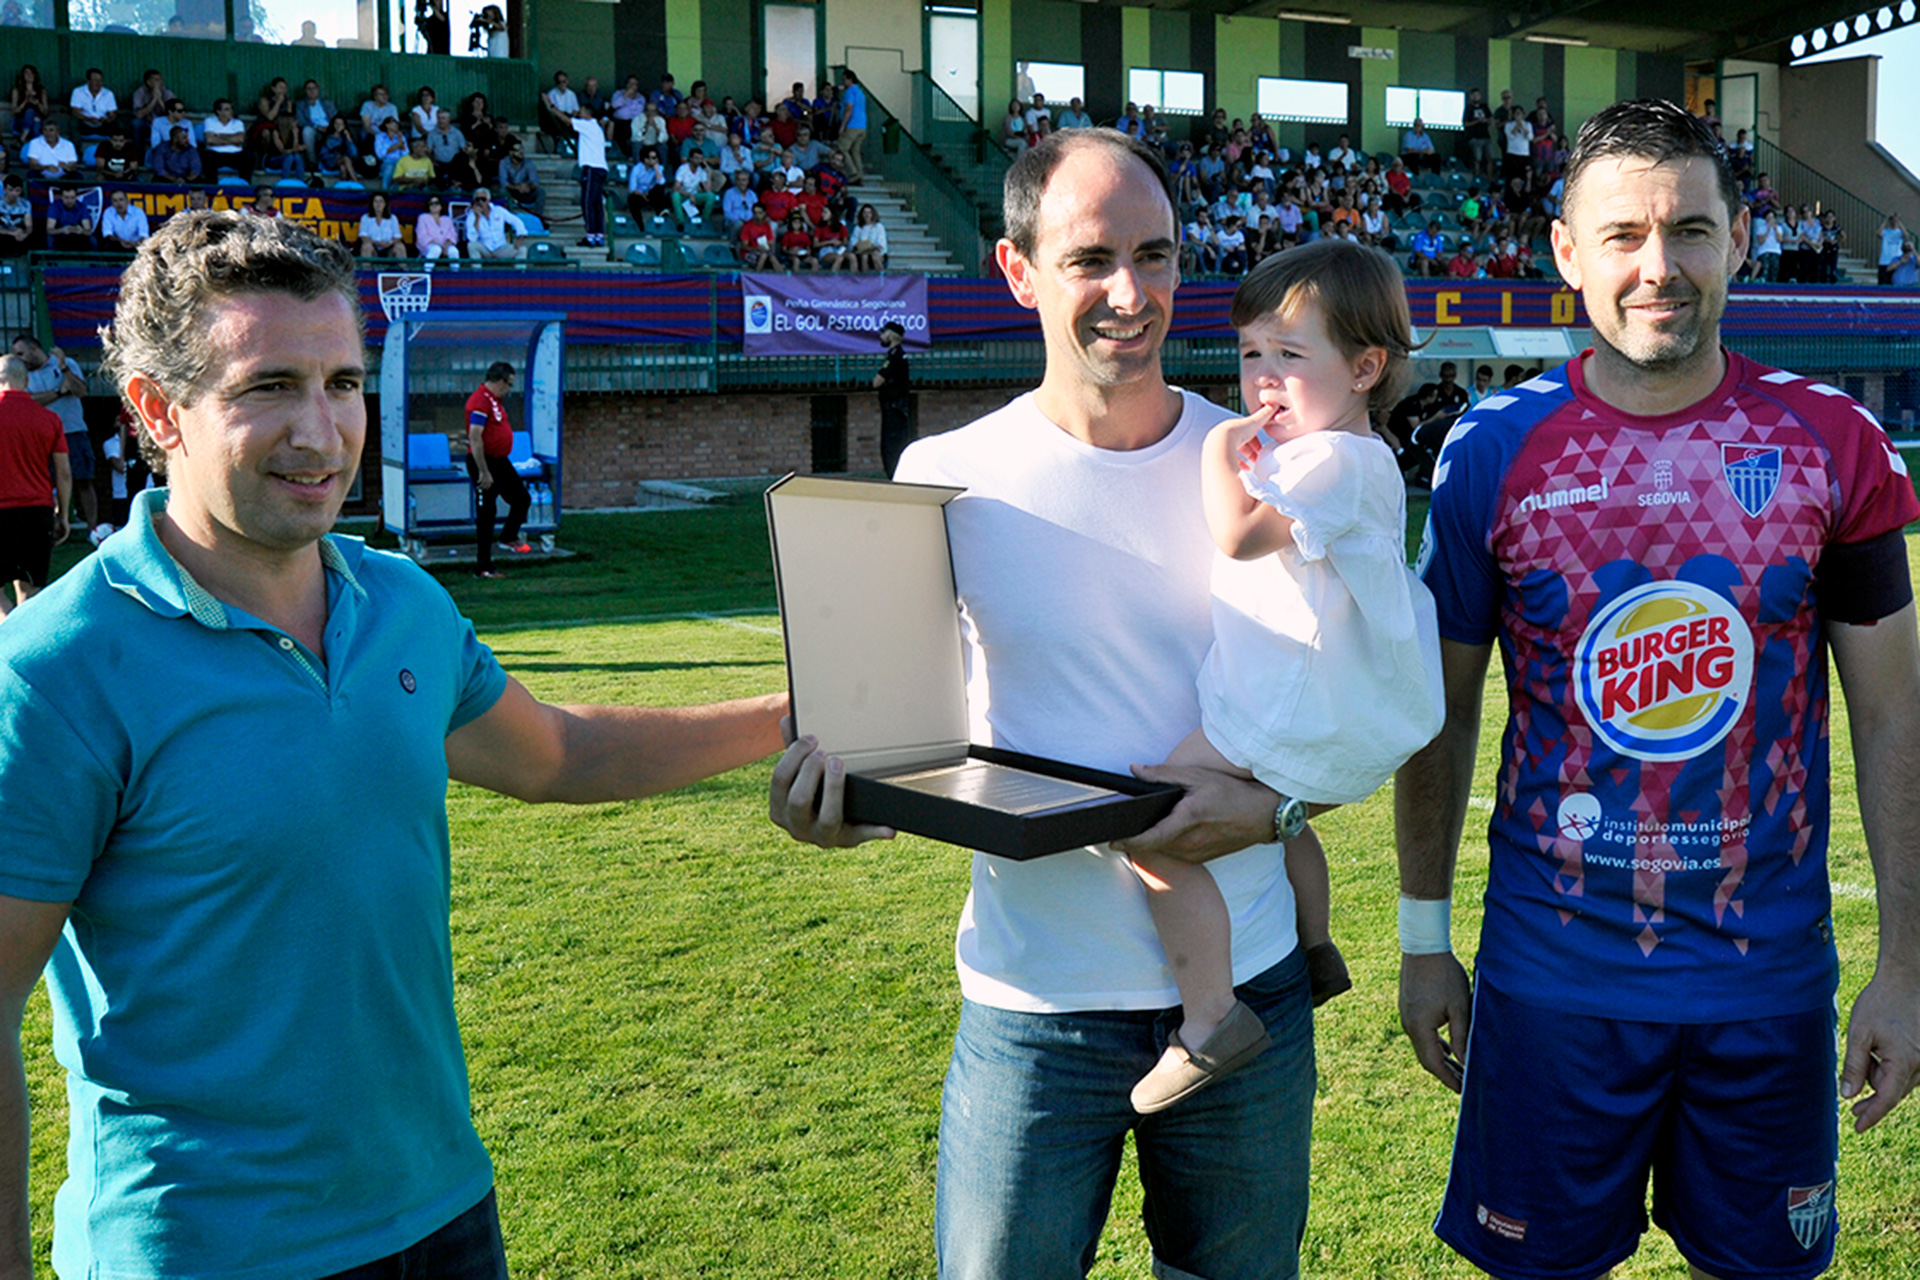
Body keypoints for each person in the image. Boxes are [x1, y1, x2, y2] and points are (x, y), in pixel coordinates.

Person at [0, 211, 788, 1277]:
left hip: (443, 1212)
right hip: (205, 1247)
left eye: (343, 383)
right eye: (269, 386)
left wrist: (791, 715)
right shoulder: (55, 666)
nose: (321, 432)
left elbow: (559, 753)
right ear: (156, 409)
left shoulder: (402, 601)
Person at [770, 127, 1320, 1280]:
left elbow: (1347, 699)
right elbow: (902, 742)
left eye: (1155, 255)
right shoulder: (943, 478)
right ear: (1018, 272)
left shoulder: (1267, 464)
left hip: (1248, 991)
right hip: (1035, 1005)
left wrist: (1278, 808)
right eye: (1091, 259)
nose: (1131, 291)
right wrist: (846, 803)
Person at [1398, 98, 1920, 1280]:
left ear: (1740, 237)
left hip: (1766, 984)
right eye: (1623, 235)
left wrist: (1907, 966)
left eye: (1688, 229)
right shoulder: (1491, 450)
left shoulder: (1832, 444)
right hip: (1552, 982)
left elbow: (1895, 714)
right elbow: (1443, 711)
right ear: (1565, 252)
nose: (1658, 266)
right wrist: (1424, 938)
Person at [1128, 240, 1445, 1113]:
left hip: (1280, 701)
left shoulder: (1336, 460)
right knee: (1281, 825)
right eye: (1250, 353)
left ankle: (1209, 1017)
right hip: (1293, 696)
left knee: (1147, 826)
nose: (1263, 377)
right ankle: (1314, 946)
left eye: (1290, 355)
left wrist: (1215, 447)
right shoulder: (1335, 454)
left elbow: (1238, 534)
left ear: (1365, 368)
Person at [0, 353, 68, 620]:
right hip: (37, 511)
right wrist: (63, 514)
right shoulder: (49, 418)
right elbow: (63, 473)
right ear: (27, 381)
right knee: (30, 590)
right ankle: (21, 638)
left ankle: (6, 635)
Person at [12, 333, 91, 533]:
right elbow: (30, 400)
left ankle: (93, 530)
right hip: (42, 437)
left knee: (83, 480)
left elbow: (81, 391)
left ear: (34, 349)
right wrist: (60, 392)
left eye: (21, 353)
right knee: (47, 483)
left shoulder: (66, 364)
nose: (19, 359)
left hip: (72, 430)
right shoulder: (23, 374)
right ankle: (54, 526)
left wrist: (63, 368)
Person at [467, 360, 533, 577]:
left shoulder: (494, 401)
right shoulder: (480, 401)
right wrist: (483, 471)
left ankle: (508, 536)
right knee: (487, 513)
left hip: (500, 460)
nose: (509, 389)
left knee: (521, 498)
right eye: (509, 384)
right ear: (499, 381)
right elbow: (475, 437)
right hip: (484, 462)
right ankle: (483, 566)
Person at [872, 320, 911, 475]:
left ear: (892, 336)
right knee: (892, 446)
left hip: (894, 409)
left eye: (884, 333)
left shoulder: (895, 357)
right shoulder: (897, 355)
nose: (882, 336)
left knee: (891, 448)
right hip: (896, 409)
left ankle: (894, 476)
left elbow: (877, 382)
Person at [571, 103, 609, 248]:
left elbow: (567, 121)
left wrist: (552, 107)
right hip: (600, 168)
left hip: (592, 168)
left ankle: (591, 235)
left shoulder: (587, 125)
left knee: (587, 202)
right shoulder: (596, 127)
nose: (578, 111)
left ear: (587, 113)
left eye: (581, 110)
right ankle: (599, 235)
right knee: (596, 203)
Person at [464, 188, 523, 260]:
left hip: (501, 248)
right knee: (471, 246)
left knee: (522, 249)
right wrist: (477, 218)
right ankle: (477, 268)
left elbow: (517, 221)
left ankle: (520, 268)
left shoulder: (499, 210)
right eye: (477, 199)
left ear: (488, 200)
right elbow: (472, 238)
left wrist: (520, 236)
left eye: (483, 199)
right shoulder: (471, 216)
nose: (480, 202)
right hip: (485, 249)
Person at [837, 68, 868, 183]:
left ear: (850, 79)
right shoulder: (860, 92)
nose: (843, 82)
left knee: (842, 148)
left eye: (844, 80)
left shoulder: (849, 92)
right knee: (855, 151)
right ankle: (860, 174)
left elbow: (848, 109)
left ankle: (853, 172)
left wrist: (842, 126)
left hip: (852, 125)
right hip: (862, 126)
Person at [357, 190, 405, 257]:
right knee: (366, 246)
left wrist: (389, 243)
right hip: (373, 247)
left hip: (389, 248)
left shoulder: (393, 218)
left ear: (385, 204)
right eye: (375, 201)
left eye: (381, 201)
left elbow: (397, 236)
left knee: (400, 247)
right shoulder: (365, 218)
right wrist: (376, 242)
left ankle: (402, 264)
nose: (378, 204)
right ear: (372, 204)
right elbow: (363, 236)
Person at [416, 192, 460, 263]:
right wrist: (439, 246)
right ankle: (427, 269)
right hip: (428, 246)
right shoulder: (423, 217)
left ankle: (455, 269)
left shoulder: (447, 219)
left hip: (446, 246)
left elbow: (453, 235)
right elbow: (422, 236)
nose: (434, 205)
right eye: (431, 203)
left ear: (441, 206)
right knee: (436, 249)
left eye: (436, 203)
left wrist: (446, 246)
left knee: (453, 251)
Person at [0, 177, 30, 257]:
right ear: (4, 190)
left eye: (17, 190)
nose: (14, 193)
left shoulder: (25, 203)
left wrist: (25, 233)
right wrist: (11, 233)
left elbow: (29, 225)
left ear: (21, 191)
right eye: (10, 190)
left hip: (18, 235)